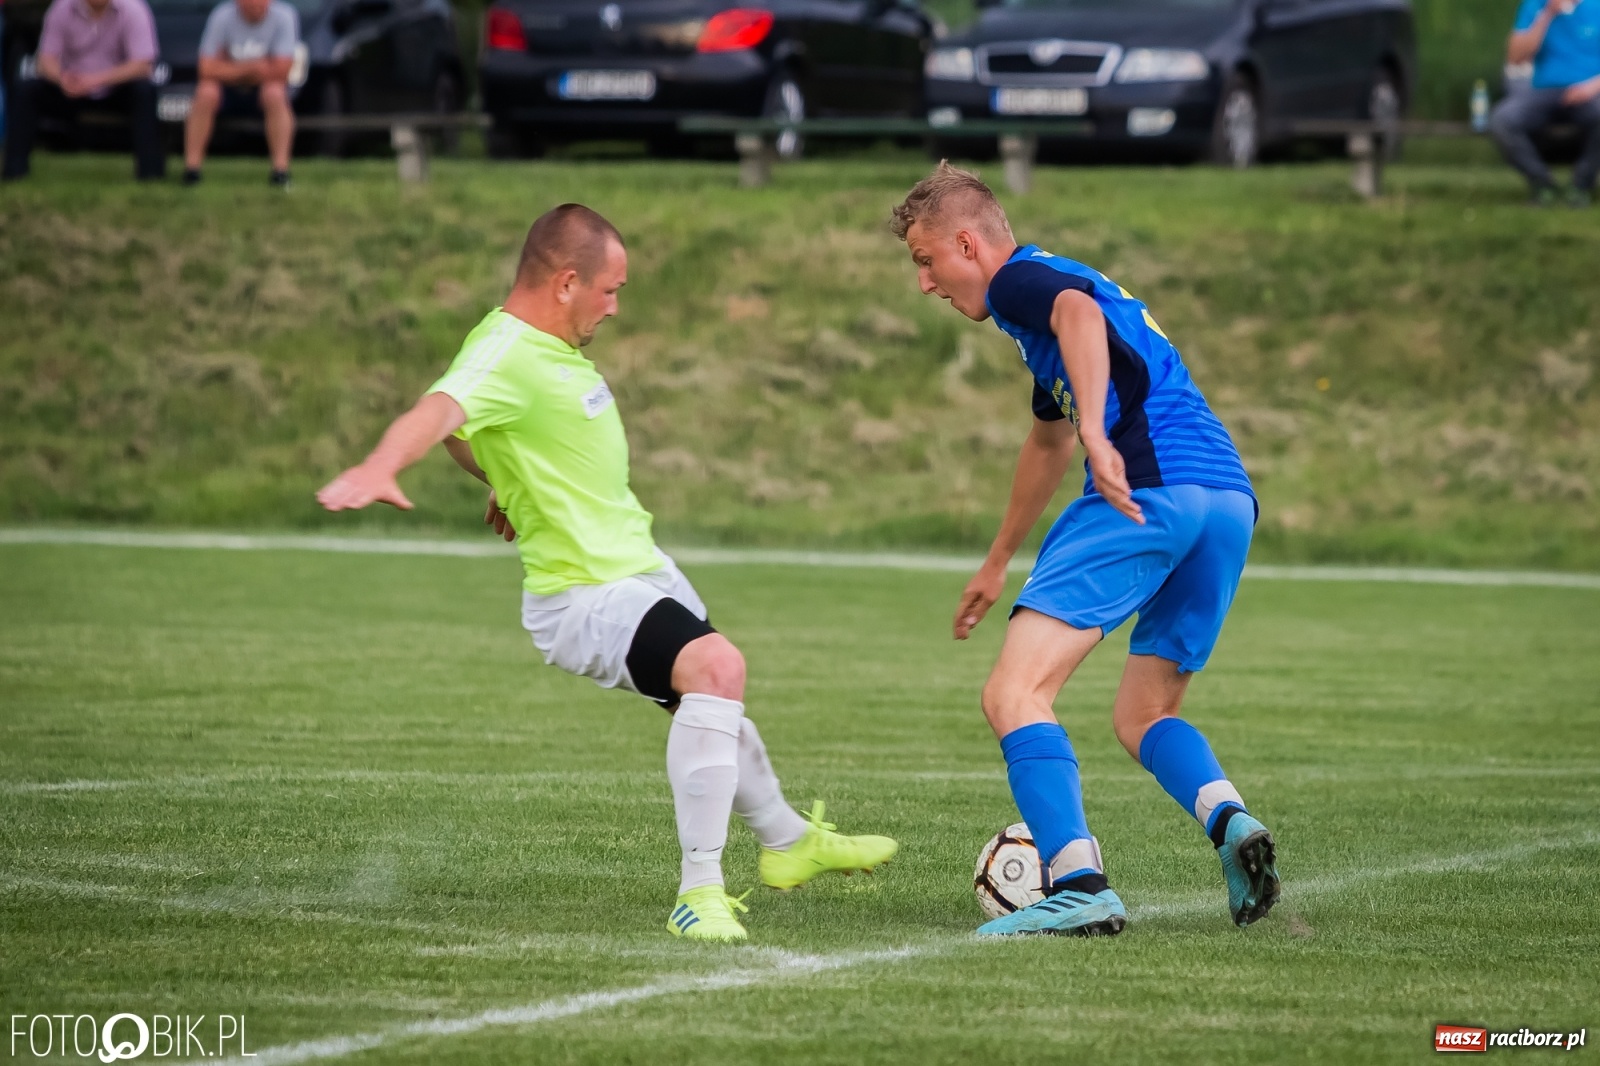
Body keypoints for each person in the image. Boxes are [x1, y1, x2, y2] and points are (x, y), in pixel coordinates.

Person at [316, 204, 898, 942]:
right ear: (566, 282)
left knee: (712, 707)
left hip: (641, 566)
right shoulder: (505, 348)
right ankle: (699, 894)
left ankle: (787, 843)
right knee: (717, 669)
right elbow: (439, 412)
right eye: (610, 289)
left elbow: (472, 437)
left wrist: (504, 479)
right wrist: (379, 464)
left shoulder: (541, 348)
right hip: (582, 592)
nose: (616, 307)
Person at [892, 163, 1279, 938]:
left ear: (969, 243)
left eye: (926, 260)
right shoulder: (1045, 307)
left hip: (1145, 489)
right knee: (1146, 714)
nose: (927, 283)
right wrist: (999, 558)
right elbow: (1047, 438)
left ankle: (1078, 882)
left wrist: (1101, 440)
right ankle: (1231, 822)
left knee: (1013, 694)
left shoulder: (1024, 283)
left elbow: (1075, 317)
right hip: (1225, 501)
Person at [1, 0, 164, 182]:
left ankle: (151, 174)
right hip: (71, 88)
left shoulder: (134, 9)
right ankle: (14, 171)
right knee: (26, 89)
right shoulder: (61, 9)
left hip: (115, 87)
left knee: (145, 91)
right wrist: (62, 79)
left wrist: (96, 80)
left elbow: (143, 65)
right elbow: (45, 60)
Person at [1490, 0, 1600, 207]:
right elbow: (1515, 57)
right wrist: (1547, 15)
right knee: (1503, 119)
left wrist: (1591, 87)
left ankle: (1581, 186)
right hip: (1542, 91)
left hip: (1590, 91)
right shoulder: (1535, 5)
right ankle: (1542, 184)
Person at [183, 0, 299, 186]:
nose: (257, 9)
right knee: (205, 92)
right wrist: (252, 68)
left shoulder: (284, 16)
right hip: (227, 88)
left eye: (261, 5)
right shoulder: (222, 15)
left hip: (262, 88)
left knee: (276, 94)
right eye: (251, 5)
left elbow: (282, 71)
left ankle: (280, 171)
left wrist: (227, 67)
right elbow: (205, 69)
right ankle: (192, 170)